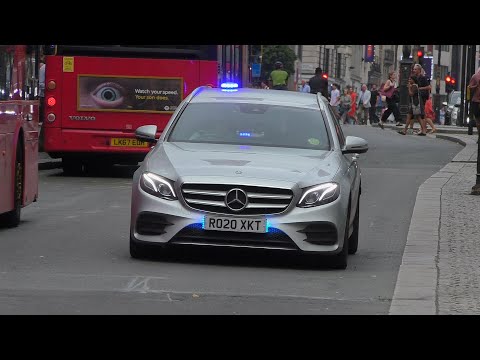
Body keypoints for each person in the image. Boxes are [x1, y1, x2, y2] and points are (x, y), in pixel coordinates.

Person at [467, 67, 480, 134]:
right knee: (477, 120)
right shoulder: (475, 76)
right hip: (476, 101)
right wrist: (476, 86)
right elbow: (469, 87)